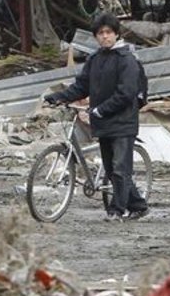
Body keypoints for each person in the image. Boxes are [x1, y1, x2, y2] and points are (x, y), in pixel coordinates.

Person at [44, 12, 148, 221]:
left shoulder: (126, 60)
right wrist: (58, 97)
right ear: (96, 37)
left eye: (108, 32)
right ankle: (138, 205)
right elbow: (81, 86)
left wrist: (100, 109)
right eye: (100, 33)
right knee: (112, 170)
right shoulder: (95, 59)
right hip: (103, 122)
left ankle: (116, 210)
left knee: (119, 169)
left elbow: (126, 93)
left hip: (123, 122)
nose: (104, 37)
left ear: (116, 34)